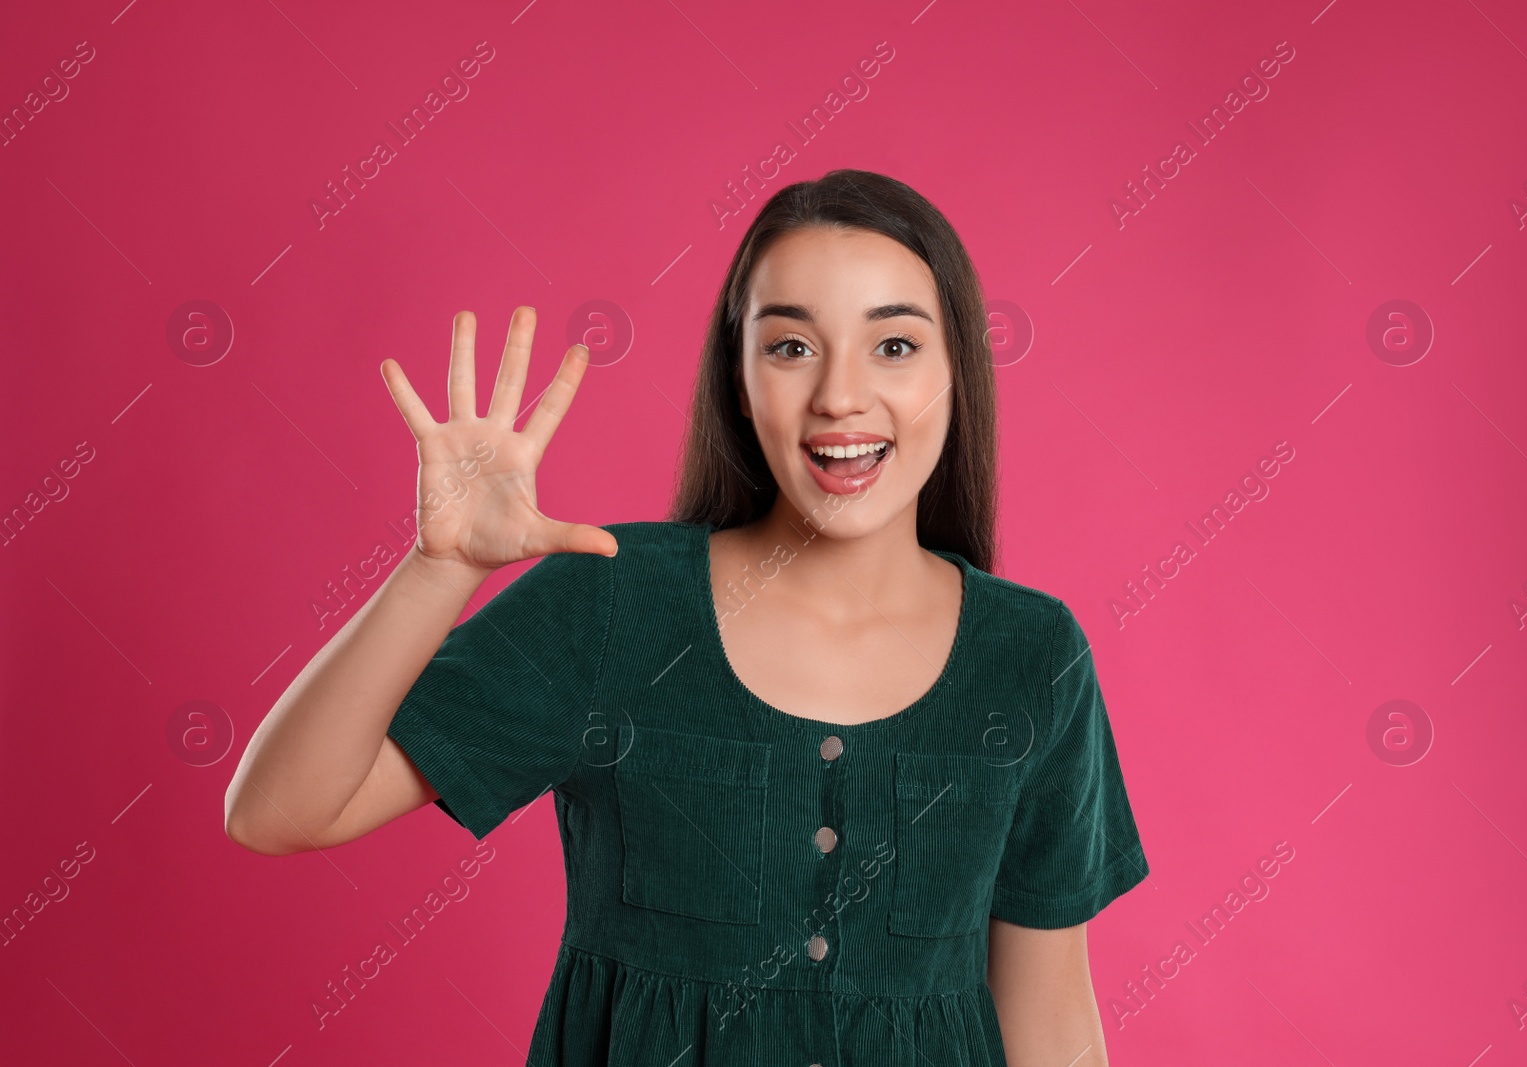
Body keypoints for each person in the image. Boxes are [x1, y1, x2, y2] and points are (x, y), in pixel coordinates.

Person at [224, 168, 1150, 1066]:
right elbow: (278, 813)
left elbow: (1050, 1012)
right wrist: (439, 570)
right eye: (790, 346)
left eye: (895, 345)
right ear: (737, 379)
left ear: (958, 372)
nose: (839, 395)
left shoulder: (1032, 654)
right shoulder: (613, 599)